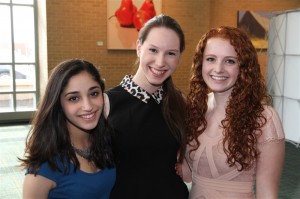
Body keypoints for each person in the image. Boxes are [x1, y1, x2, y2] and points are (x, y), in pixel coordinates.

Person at [181, 26, 285, 199]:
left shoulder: (264, 119)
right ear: (201, 63)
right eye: (211, 59)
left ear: (244, 67)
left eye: (229, 61)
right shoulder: (194, 110)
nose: (218, 69)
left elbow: (267, 193)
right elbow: (186, 173)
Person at [104, 14, 189, 199]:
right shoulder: (107, 103)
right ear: (138, 48)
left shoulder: (180, 101)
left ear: (179, 57)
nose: (160, 62)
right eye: (153, 50)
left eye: (171, 53)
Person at [19, 59, 116, 199]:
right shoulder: (45, 165)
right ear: (58, 104)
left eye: (94, 93)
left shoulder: (106, 141)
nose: (88, 106)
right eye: (74, 98)